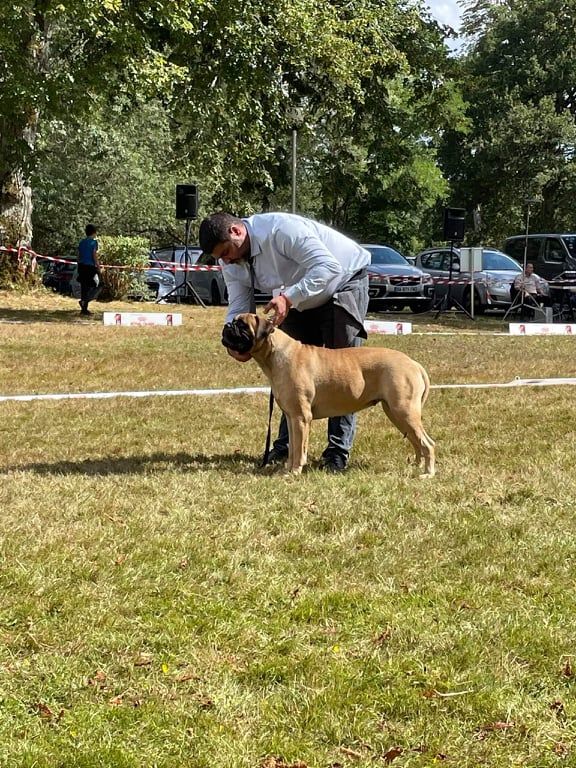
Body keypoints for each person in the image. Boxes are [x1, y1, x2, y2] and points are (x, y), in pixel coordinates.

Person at [199, 211, 370, 473]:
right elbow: (239, 304)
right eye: (221, 258)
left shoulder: (281, 231)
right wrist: (234, 342)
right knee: (289, 371)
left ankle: (336, 452)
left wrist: (289, 298)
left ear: (236, 231)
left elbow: (328, 266)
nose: (226, 261)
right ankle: (285, 447)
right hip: (297, 296)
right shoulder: (230, 259)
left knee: (341, 371)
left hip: (342, 282)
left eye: (226, 253)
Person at [77, 223, 101, 315]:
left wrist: (79, 264)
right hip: (90, 266)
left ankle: (84, 307)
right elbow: (94, 255)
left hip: (82, 266)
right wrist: (98, 266)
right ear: (94, 233)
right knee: (95, 285)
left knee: (84, 286)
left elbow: (78, 255)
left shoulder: (82, 242)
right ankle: (85, 301)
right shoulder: (94, 242)